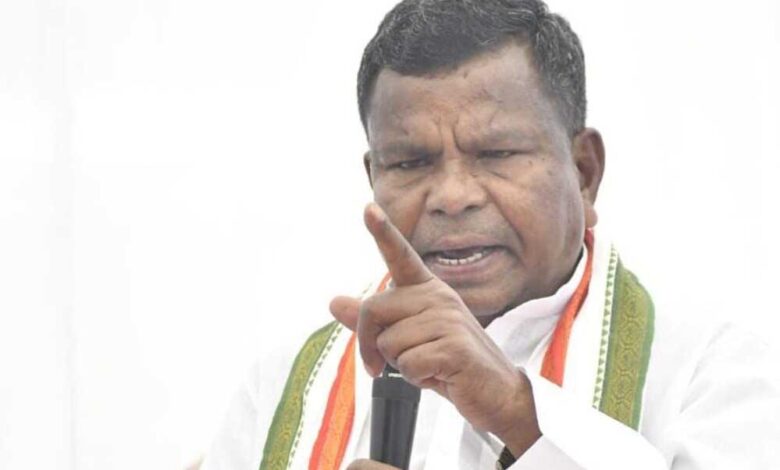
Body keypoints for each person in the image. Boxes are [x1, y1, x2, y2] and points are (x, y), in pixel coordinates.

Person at [200, 0, 780, 469]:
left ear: (584, 173)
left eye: (497, 153)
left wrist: (518, 413)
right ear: (373, 178)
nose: (453, 197)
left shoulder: (713, 374)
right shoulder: (282, 389)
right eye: (409, 162)